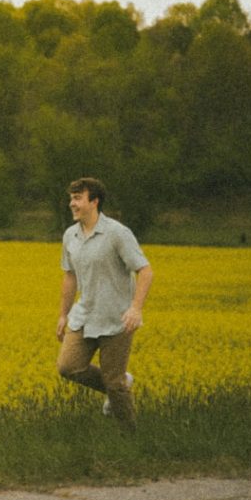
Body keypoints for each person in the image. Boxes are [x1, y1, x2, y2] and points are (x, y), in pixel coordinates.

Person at [56, 177, 153, 430]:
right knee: (67, 367)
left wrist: (135, 308)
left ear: (94, 201)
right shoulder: (70, 236)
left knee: (114, 384)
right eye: (71, 198)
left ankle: (130, 436)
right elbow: (69, 276)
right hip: (84, 315)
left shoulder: (117, 234)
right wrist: (63, 315)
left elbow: (145, 271)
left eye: (78, 198)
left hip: (116, 318)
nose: (72, 204)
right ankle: (123, 381)